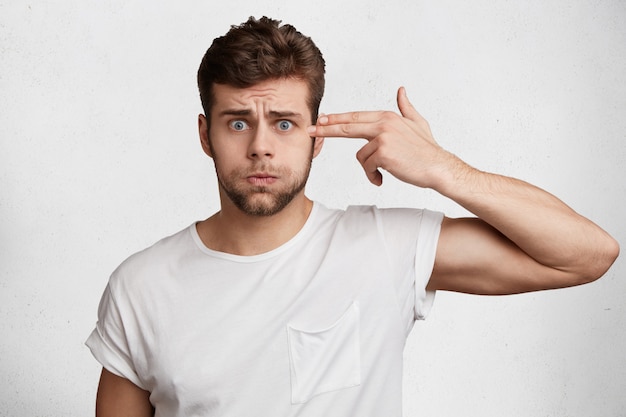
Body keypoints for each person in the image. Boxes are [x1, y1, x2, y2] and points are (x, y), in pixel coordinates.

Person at [86, 16, 619, 417]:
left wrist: (443, 169)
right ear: (206, 135)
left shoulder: (384, 247)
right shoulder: (142, 286)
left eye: (286, 123)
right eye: (238, 123)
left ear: (318, 136)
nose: (262, 147)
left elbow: (588, 255)